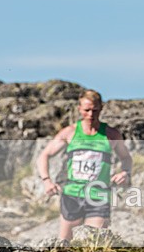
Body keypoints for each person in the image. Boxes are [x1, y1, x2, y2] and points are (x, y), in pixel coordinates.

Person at [36, 89, 133, 241]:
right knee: (65, 244)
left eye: (95, 110)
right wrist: (46, 180)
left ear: (101, 108)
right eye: (87, 110)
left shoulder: (111, 135)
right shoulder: (70, 132)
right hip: (72, 195)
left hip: (98, 195)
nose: (91, 114)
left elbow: (126, 158)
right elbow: (44, 155)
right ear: (79, 109)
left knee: (94, 243)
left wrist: (125, 172)